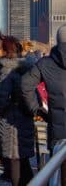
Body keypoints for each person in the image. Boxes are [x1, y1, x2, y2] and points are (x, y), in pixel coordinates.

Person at [22, 25, 66, 186]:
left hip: (58, 128)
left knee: (59, 170)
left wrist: (37, 108)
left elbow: (26, 84)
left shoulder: (45, 63)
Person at [0, 36, 34, 186]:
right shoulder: (28, 69)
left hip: (10, 122)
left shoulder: (6, 72)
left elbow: (2, 99)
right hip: (25, 118)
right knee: (23, 160)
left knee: (14, 160)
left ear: (5, 50)